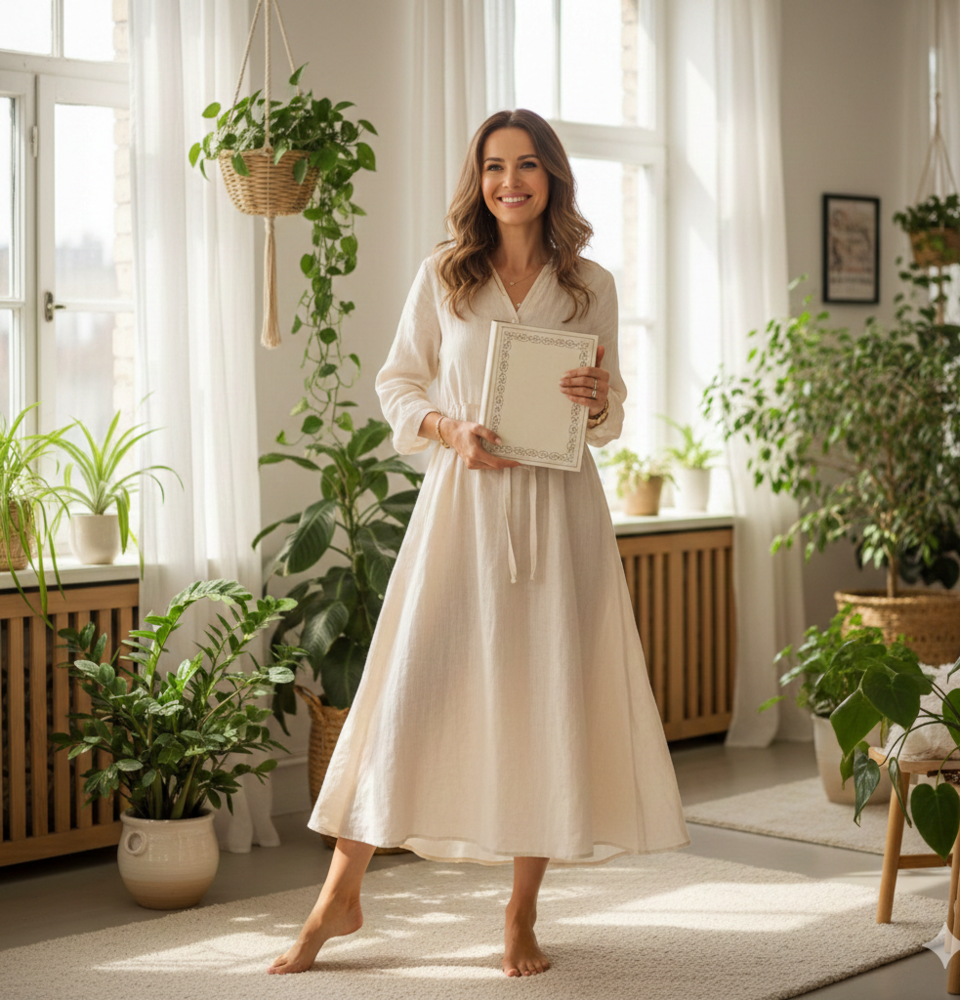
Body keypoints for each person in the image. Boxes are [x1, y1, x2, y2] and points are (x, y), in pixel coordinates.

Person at [267, 108, 690, 980]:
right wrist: (446, 427)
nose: (510, 181)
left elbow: (608, 424)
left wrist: (596, 397)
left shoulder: (591, 285)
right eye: (495, 166)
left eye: (528, 165)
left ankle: (520, 912)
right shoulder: (445, 276)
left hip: (560, 515)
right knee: (408, 693)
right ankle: (339, 895)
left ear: (553, 177)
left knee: (547, 701)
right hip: (461, 506)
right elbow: (397, 381)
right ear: (478, 180)